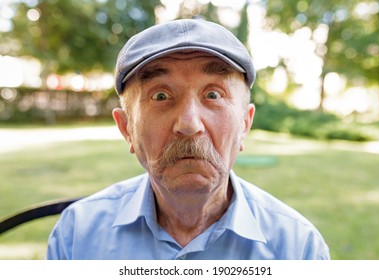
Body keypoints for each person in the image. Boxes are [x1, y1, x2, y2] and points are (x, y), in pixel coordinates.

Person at [47, 19, 330, 260]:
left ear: (245, 123)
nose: (189, 124)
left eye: (213, 95)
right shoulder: (76, 237)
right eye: (160, 96)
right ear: (126, 128)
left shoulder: (299, 249)